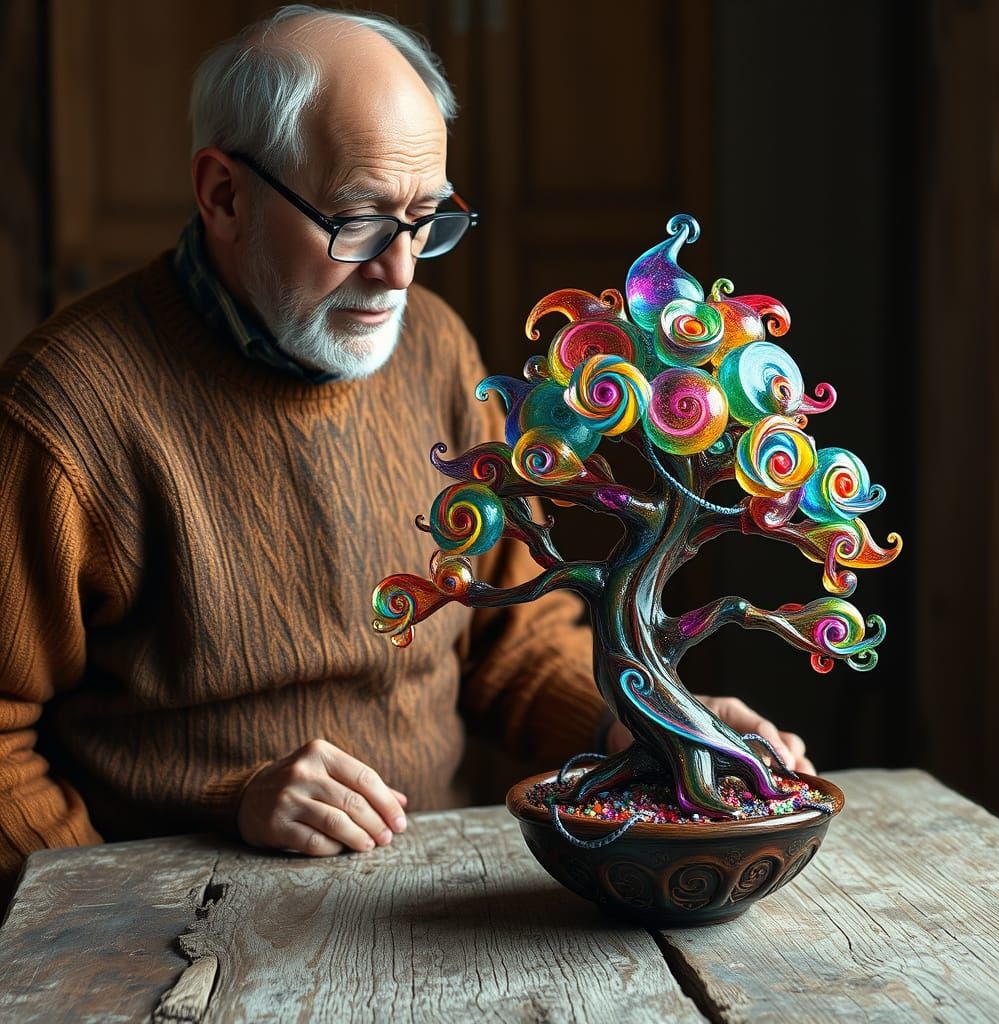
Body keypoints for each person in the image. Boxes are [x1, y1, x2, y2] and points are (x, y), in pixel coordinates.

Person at [0, 5, 812, 900]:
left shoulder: (434, 348)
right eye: (358, 221)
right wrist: (200, 833)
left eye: (426, 218)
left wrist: (647, 725)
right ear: (223, 195)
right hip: (184, 921)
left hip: (424, 899)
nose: (400, 272)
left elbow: (505, 640)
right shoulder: (63, 412)